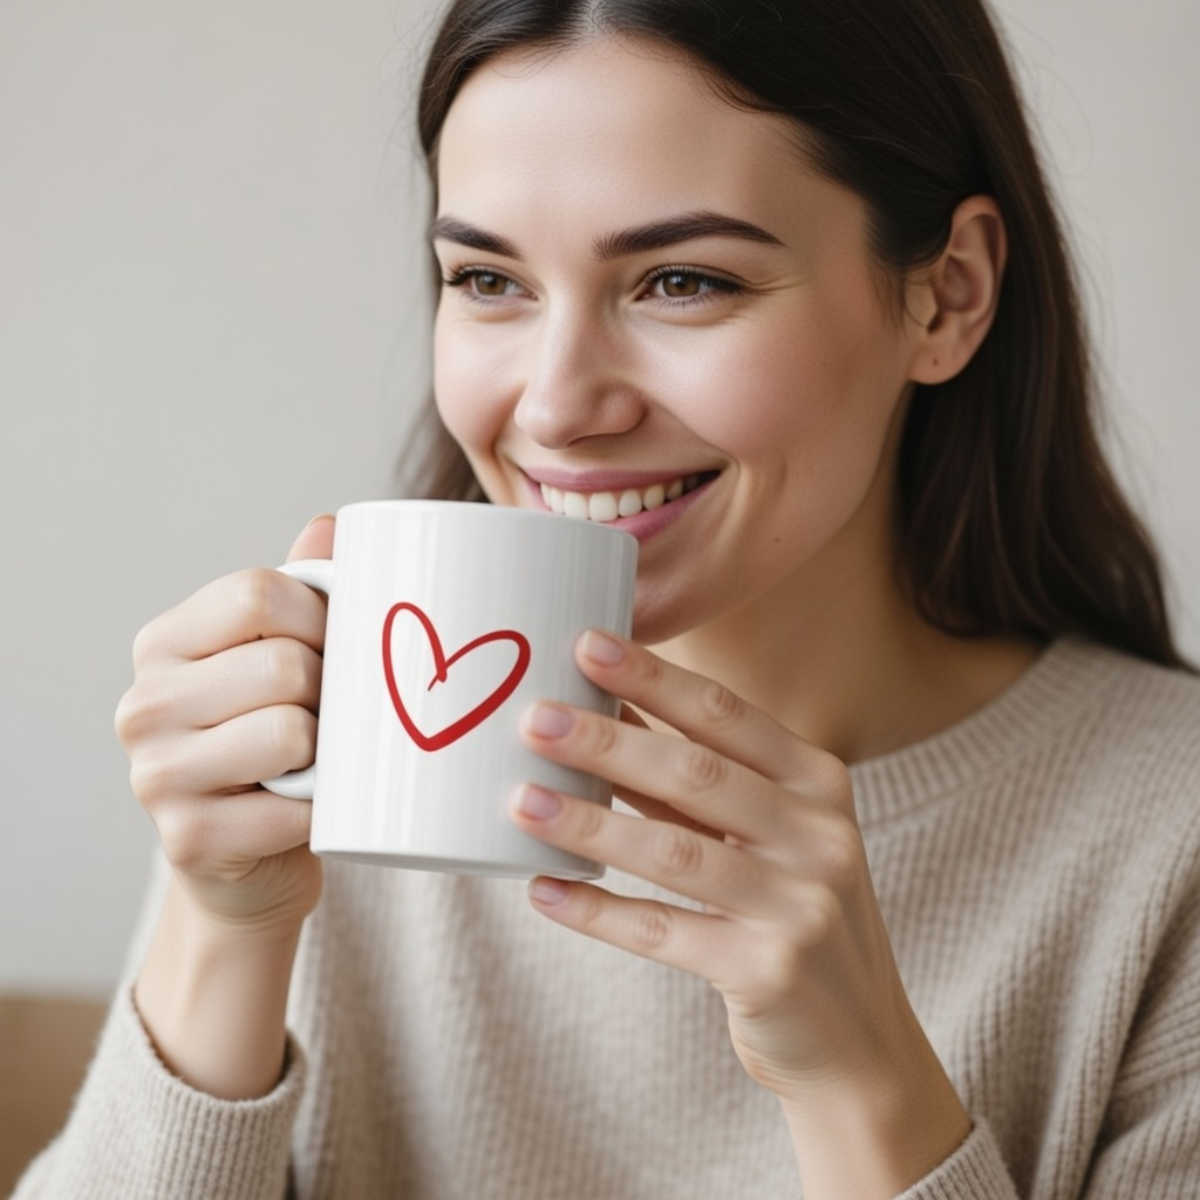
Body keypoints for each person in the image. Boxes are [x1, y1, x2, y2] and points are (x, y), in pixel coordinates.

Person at [16, 0, 1200, 1196]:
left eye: (682, 281)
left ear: (945, 295)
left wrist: (861, 1081)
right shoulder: (346, 752)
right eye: (487, 279)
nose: (553, 407)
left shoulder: (1170, 842)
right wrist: (224, 932)